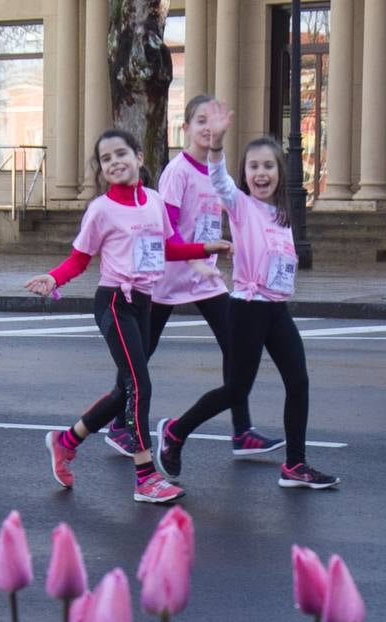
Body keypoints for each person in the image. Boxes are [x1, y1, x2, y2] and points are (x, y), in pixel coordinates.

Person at [24, 129, 229, 504]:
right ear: (102, 170)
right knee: (140, 385)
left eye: (121, 154)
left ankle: (66, 441)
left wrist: (205, 250)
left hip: (144, 302)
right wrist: (53, 277)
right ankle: (145, 476)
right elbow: (80, 258)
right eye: (106, 159)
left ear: (138, 157)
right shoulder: (101, 209)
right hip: (115, 301)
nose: (115, 162)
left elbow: (167, 247)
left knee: (124, 391)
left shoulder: (152, 200)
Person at [154, 102, 338, 490]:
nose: (260, 173)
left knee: (298, 381)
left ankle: (295, 465)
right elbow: (219, 178)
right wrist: (217, 143)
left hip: (275, 309)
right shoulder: (240, 205)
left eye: (268, 166)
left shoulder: (282, 214)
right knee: (237, 388)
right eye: (253, 167)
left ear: (279, 173)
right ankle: (175, 430)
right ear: (245, 174)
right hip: (246, 309)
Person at [108, 94, 283, 462]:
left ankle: (242, 431)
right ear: (185, 128)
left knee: (235, 350)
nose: (206, 127)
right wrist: (199, 251)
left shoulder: (216, 174)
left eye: (212, 121)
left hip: (206, 278)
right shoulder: (178, 171)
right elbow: (166, 227)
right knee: (141, 356)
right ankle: (119, 425)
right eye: (199, 121)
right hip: (166, 278)